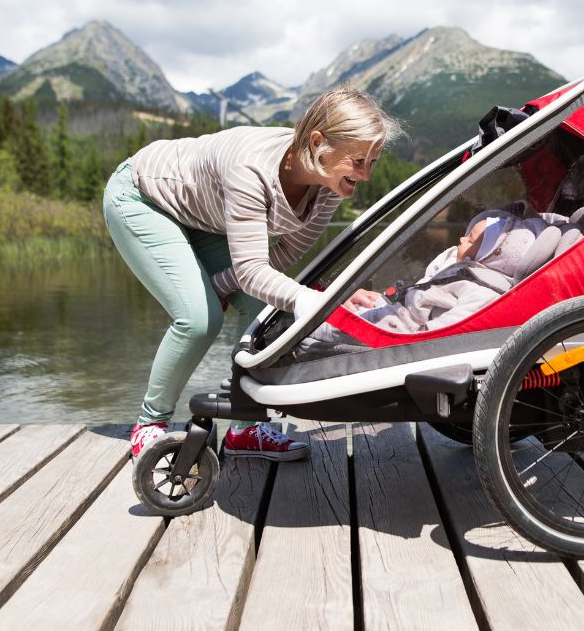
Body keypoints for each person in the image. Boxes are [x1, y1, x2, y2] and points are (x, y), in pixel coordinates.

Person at [103, 88, 400, 462]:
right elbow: (251, 269)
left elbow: (282, 256)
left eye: (372, 161)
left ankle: (243, 427)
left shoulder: (329, 187)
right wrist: (306, 299)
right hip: (143, 197)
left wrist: (220, 285)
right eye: (359, 161)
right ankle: (150, 425)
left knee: (262, 305)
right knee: (199, 319)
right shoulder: (251, 168)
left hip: (204, 218)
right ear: (318, 142)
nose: (366, 175)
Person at [306, 209, 578, 343]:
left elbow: (453, 326)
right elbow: (432, 280)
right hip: (402, 310)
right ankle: (317, 316)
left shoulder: (484, 291)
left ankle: (309, 330)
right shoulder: (471, 271)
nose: (461, 237)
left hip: (405, 329)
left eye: (469, 238)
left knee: (334, 328)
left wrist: (421, 339)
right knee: (356, 308)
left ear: (488, 257)